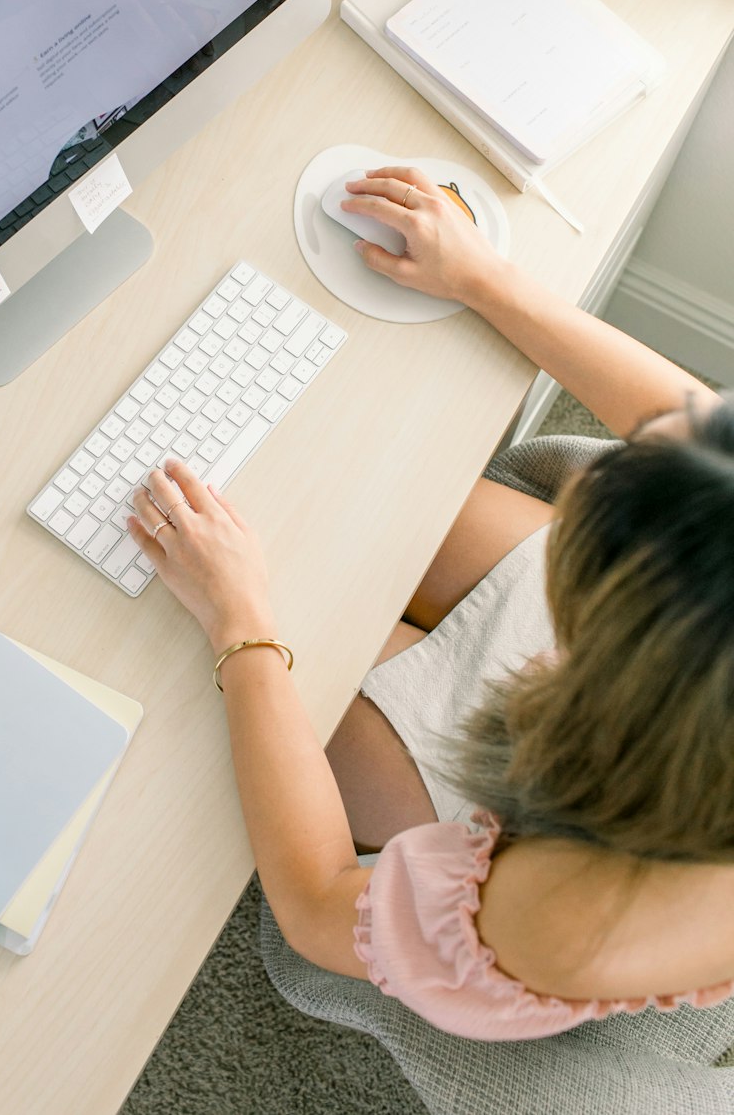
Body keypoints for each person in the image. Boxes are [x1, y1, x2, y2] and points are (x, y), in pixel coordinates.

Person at [126, 165, 734, 1041]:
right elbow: (682, 423)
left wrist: (241, 625)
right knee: (325, 488)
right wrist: (485, 279)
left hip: (524, 819)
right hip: (645, 714)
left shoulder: (556, 918)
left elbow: (315, 899)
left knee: (255, 617)